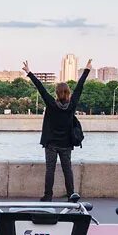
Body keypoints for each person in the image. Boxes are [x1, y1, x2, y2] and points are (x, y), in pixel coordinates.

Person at [24, 58, 90, 201]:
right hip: (66, 144)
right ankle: (71, 194)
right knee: (68, 170)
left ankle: (48, 196)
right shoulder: (72, 105)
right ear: (68, 93)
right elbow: (80, 87)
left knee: (50, 170)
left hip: (51, 144)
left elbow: (40, 87)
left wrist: (29, 72)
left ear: (56, 93)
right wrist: (87, 70)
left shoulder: (51, 105)